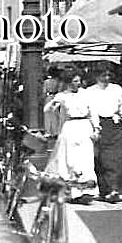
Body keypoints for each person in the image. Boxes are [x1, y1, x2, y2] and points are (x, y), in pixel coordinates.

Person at [44, 68, 99, 204]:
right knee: (70, 160)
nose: (78, 83)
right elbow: (47, 109)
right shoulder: (63, 96)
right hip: (70, 127)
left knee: (85, 159)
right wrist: (53, 101)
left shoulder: (87, 94)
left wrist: (96, 129)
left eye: (79, 80)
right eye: (75, 81)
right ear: (68, 83)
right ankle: (73, 192)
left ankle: (87, 191)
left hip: (85, 126)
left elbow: (93, 111)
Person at [86, 64, 122, 203]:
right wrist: (96, 127)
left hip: (115, 124)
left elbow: (121, 106)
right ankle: (104, 189)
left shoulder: (116, 89)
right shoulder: (90, 91)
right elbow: (91, 110)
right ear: (96, 76)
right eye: (103, 75)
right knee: (101, 158)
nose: (106, 78)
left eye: (108, 75)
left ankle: (113, 189)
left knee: (115, 158)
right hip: (99, 125)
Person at [43, 67, 62, 138]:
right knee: (55, 114)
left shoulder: (46, 82)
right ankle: (55, 131)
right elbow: (60, 90)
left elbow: (44, 91)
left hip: (48, 97)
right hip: (56, 97)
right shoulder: (58, 81)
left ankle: (48, 131)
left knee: (47, 115)